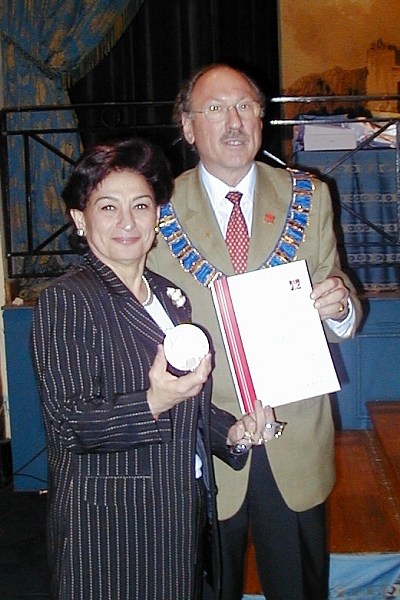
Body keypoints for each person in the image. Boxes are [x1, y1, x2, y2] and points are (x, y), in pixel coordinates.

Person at [148, 64, 363, 600]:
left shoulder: (309, 198)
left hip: (294, 439)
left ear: (261, 119)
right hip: (203, 440)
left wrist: (339, 307)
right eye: (215, 108)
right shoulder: (156, 210)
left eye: (245, 106)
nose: (233, 121)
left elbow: (340, 306)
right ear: (188, 126)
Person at [30, 138, 278, 600]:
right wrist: (151, 402)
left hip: (177, 515)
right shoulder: (68, 300)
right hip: (110, 529)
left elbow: (185, 400)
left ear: (157, 217)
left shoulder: (169, 296)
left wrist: (233, 432)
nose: (127, 222)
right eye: (108, 207)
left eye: (141, 206)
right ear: (80, 220)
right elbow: (69, 424)